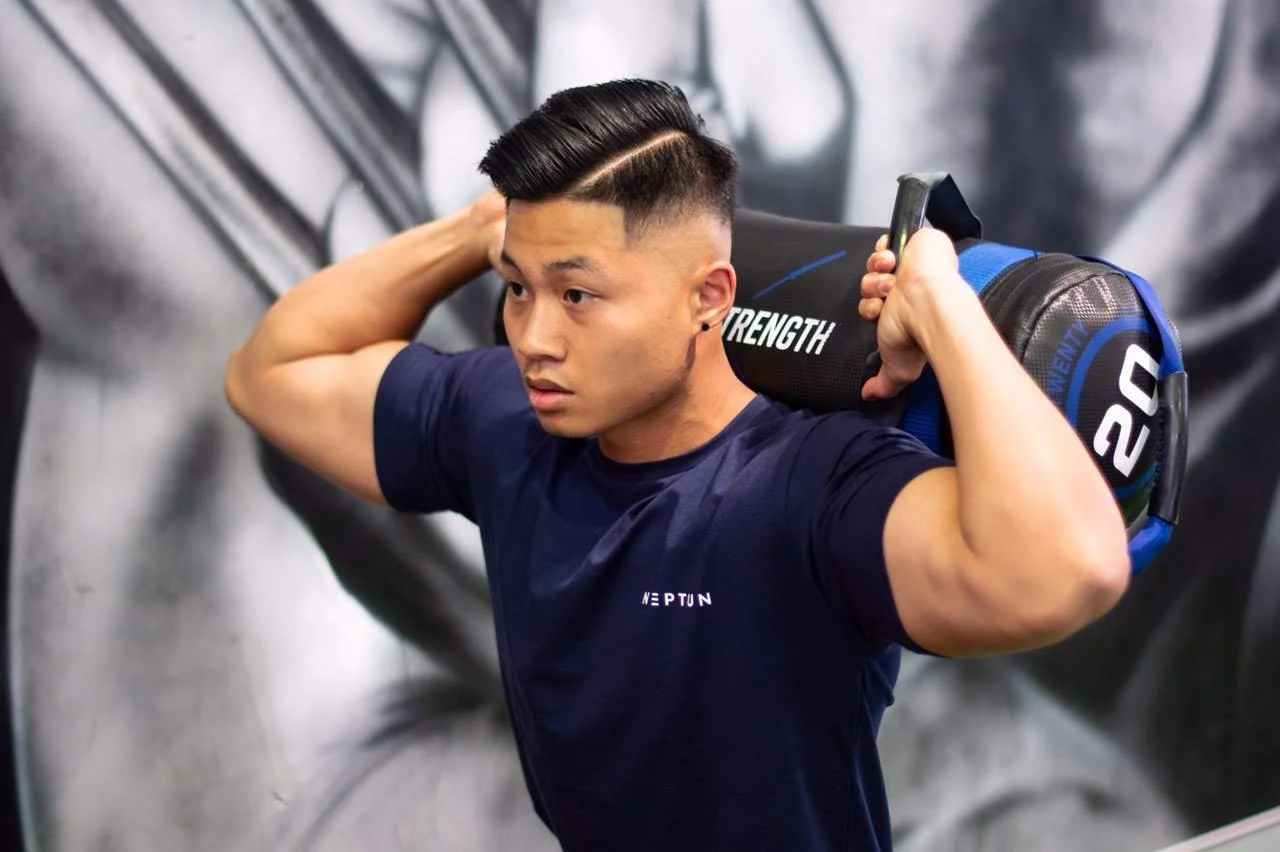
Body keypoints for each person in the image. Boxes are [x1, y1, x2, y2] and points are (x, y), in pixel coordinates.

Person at [224, 78, 1132, 851]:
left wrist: (940, 303)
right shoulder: (502, 419)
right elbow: (271, 374)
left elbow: (1071, 568)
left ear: (710, 296)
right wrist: (472, 234)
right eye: (517, 291)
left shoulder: (809, 487)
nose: (535, 338)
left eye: (578, 295)